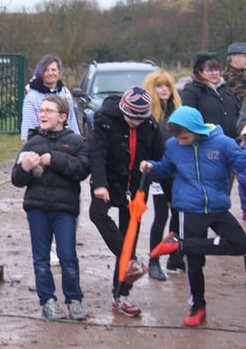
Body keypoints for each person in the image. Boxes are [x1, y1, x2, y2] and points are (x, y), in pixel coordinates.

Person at [141, 106, 246, 327]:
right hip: (189, 208)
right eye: (177, 138)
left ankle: (179, 244)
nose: (180, 142)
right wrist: (152, 167)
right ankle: (197, 306)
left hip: (217, 206)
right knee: (194, 261)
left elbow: (242, 165)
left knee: (240, 243)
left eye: (185, 138)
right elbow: (165, 169)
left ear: (197, 130)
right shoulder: (173, 145)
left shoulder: (223, 143)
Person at [11, 96, 89, 321]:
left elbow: (82, 169)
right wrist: (25, 168)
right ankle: (48, 301)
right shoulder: (31, 143)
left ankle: (74, 299)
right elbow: (16, 179)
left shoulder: (77, 142)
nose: (42, 114)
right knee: (41, 258)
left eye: (48, 111)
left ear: (62, 117)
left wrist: (53, 159)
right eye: (41, 111)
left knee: (67, 256)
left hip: (65, 209)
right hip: (37, 208)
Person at [88, 86, 164, 317]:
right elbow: (97, 153)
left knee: (130, 233)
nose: (135, 122)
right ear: (123, 110)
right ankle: (129, 258)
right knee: (97, 213)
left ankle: (121, 295)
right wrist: (99, 184)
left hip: (136, 187)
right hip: (109, 182)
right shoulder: (105, 121)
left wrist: (152, 168)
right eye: (131, 117)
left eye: (140, 119)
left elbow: (159, 156)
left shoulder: (150, 125)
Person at [141, 71, 184, 279]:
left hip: (177, 171)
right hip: (157, 171)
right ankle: (154, 260)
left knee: (178, 213)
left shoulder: (178, 112)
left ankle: (174, 255)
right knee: (161, 215)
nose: (164, 89)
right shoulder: (148, 116)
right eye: (159, 86)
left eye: (167, 85)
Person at [181, 54, 240, 141]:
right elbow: (188, 118)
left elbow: (237, 113)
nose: (214, 73)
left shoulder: (226, 89)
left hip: (233, 140)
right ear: (199, 72)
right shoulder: (192, 91)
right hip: (207, 141)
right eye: (209, 70)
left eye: (217, 70)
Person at [20, 54, 80, 140]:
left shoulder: (65, 93)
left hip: (65, 141)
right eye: (46, 70)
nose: (50, 73)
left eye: (53, 70)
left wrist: (77, 140)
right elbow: (29, 127)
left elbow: (71, 120)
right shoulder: (31, 97)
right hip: (41, 141)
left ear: (59, 72)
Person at [224, 42, 246, 220]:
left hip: (240, 133)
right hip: (234, 133)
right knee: (227, 178)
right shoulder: (229, 80)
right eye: (244, 56)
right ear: (233, 58)